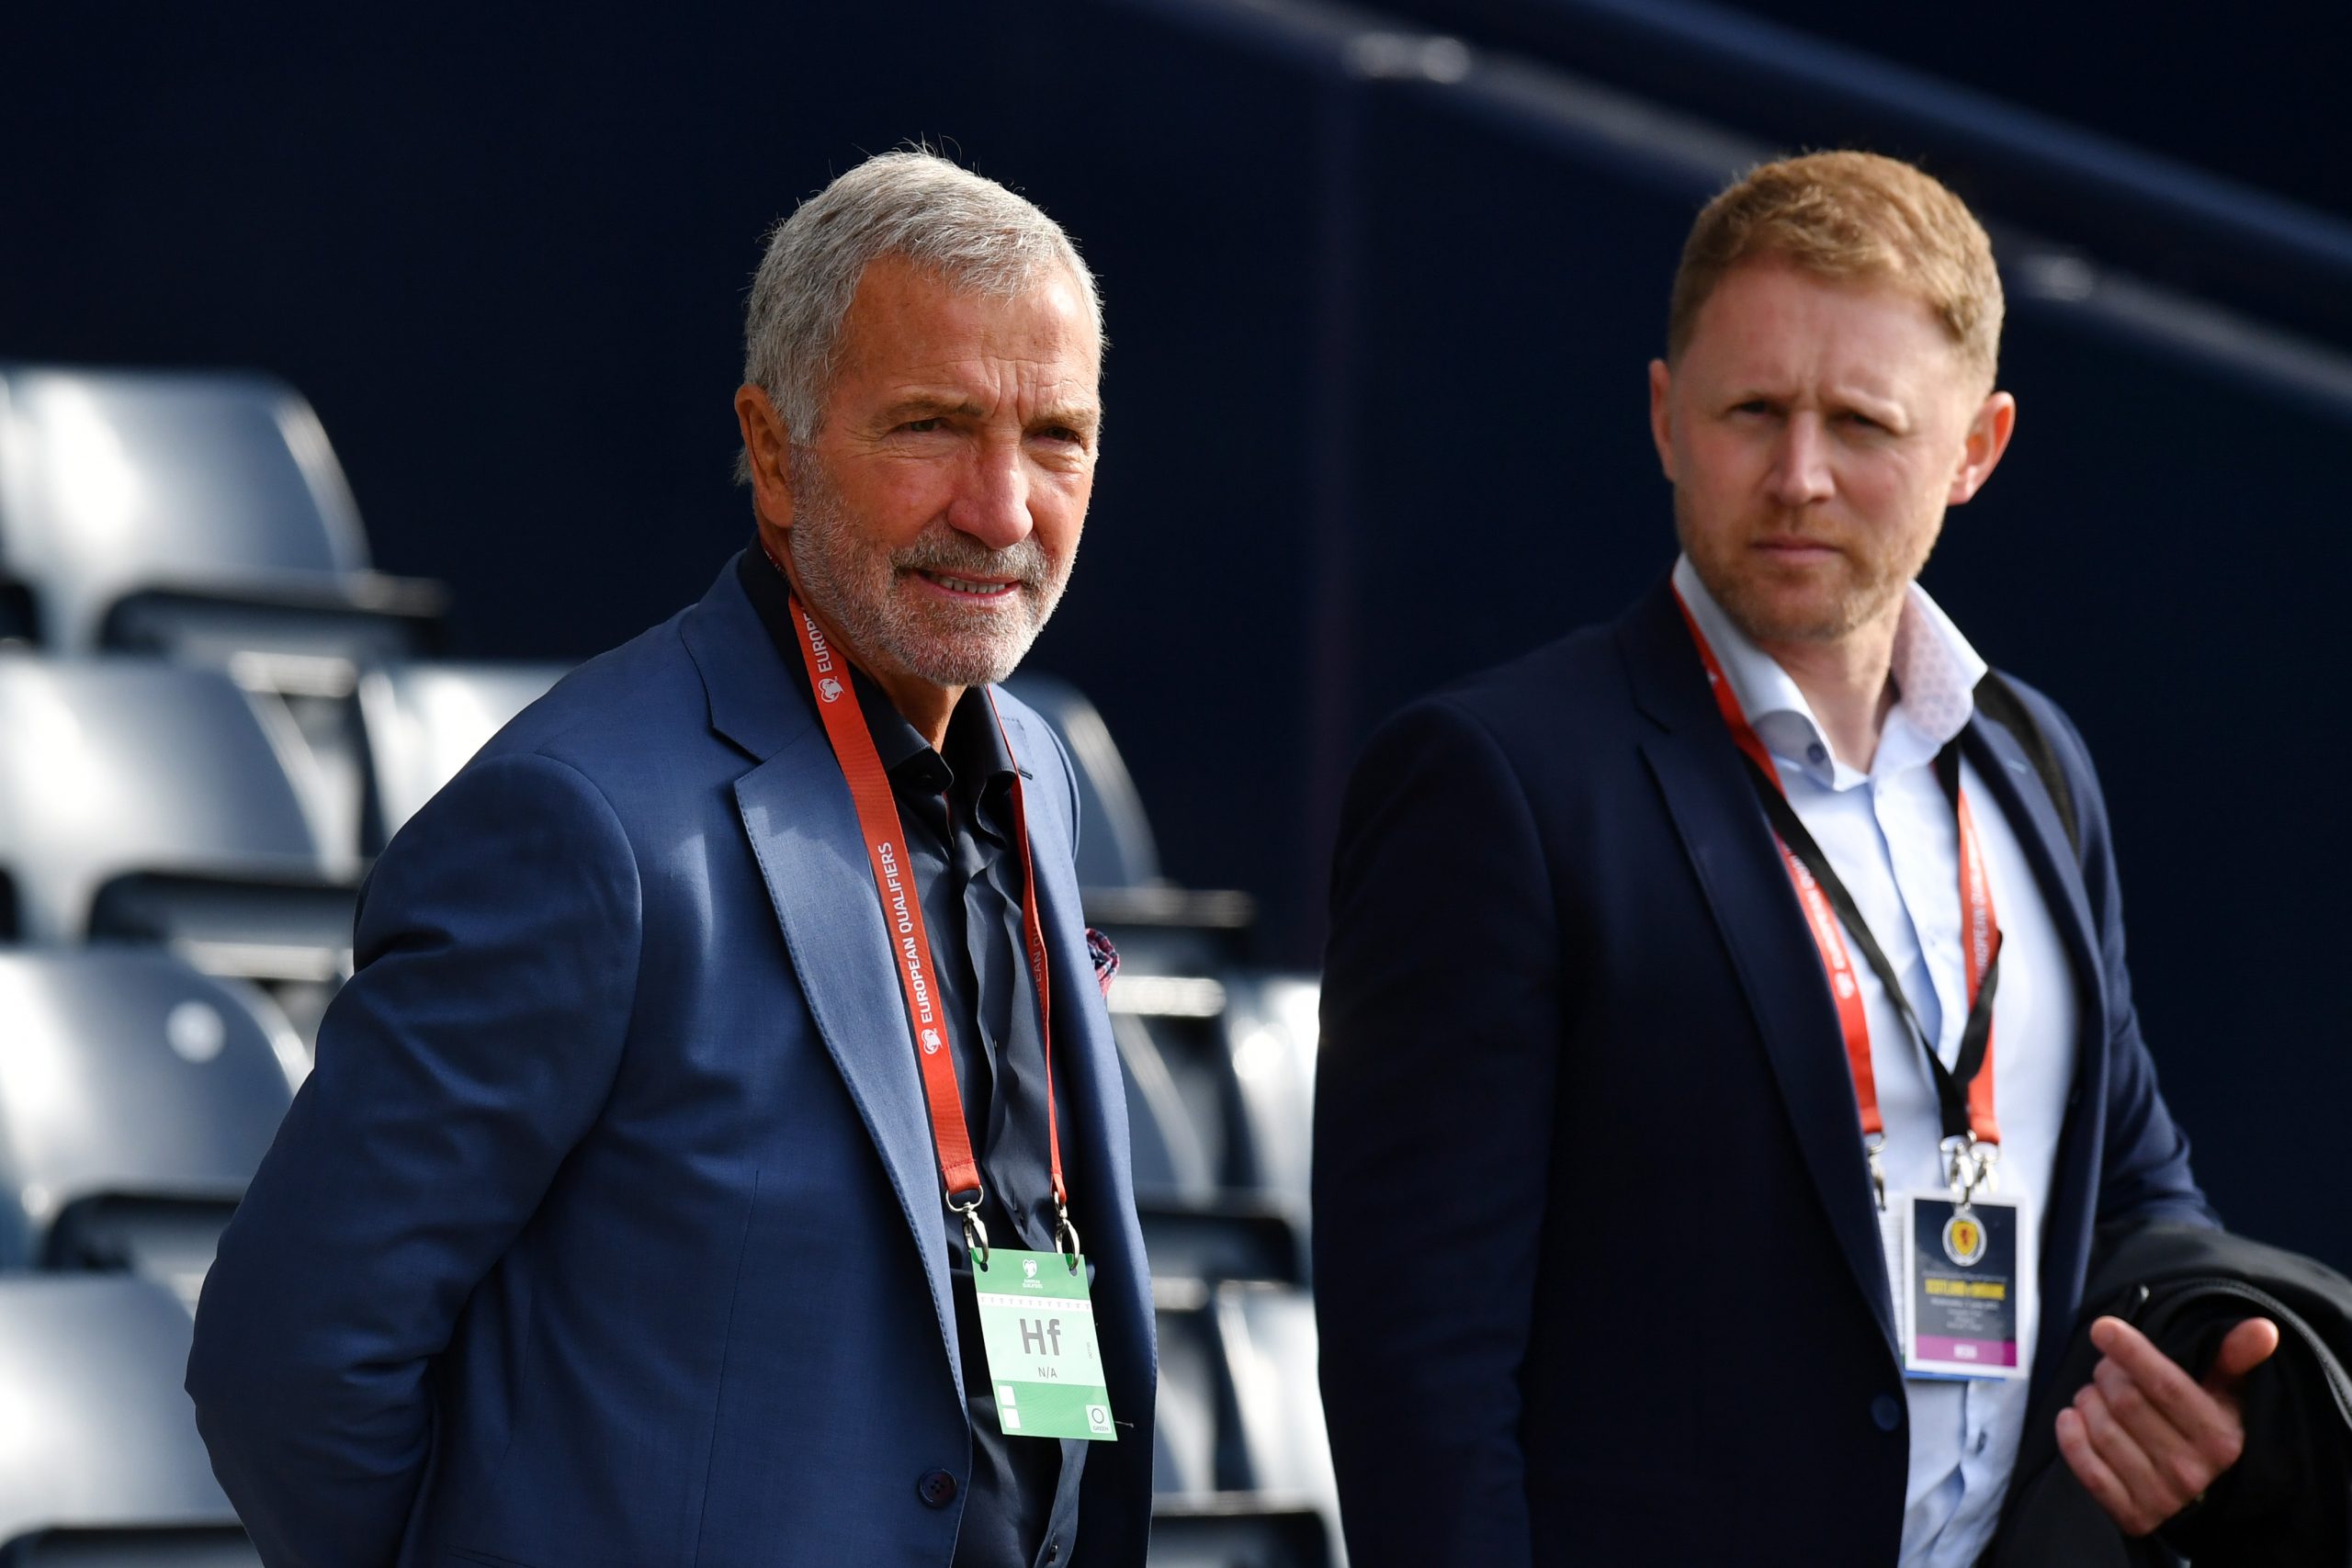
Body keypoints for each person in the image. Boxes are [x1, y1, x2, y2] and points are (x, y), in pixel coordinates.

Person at [187, 150, 1156, 1568]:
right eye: (934, 428)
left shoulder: (1038, 780)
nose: (1003, 510)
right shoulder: (580, 824)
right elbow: (290, 1362)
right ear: (774, 452)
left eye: (1056, 438)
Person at [1310, 151, 2278, 1567]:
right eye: (1751, 410)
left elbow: (2134, 1192)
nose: (1800, 475)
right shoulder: (1496, 781)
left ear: (1977, 449)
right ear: (1663, 416)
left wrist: (2217, 1376)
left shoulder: (2038, 767)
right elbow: (1420, 1374)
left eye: (1863, 423)